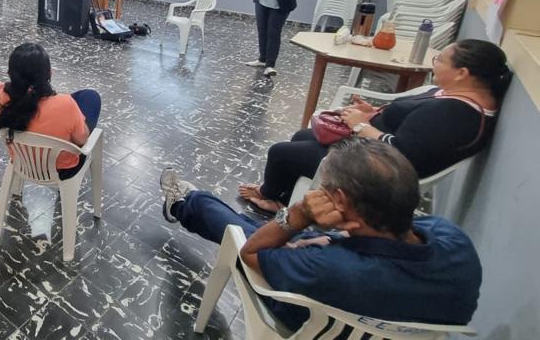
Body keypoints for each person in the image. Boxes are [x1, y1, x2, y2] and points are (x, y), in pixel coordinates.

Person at [159, 139, 481, 332]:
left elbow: (251, 253)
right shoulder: (456, 243)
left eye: (323, 187)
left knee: (239, 232)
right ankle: (190, 201)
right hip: (383, 318)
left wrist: (298, 215)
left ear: (339, 201)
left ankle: (185, 203)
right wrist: (334, 238)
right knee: (266, 230)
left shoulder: (329, 268)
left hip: (314, 318)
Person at [240, 39, 510, 212]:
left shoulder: (456, 115)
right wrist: (372, 113)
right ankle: (282, 194)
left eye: (440, 59)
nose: (434, 62)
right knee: (302, 135)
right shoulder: (458, 95)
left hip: (375, 172)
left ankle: (269, 196)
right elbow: (413, 125)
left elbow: (403, 156)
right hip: (369, 148)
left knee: (280, 152)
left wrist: (361, 126)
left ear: (462, 73)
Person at [0, 42, 101, 179]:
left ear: (9, 74)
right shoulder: (66, 105)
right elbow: (81, 140)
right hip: (62, 169)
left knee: (76, 101)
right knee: (91, 96)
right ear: (50, 73)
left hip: (21, 161)